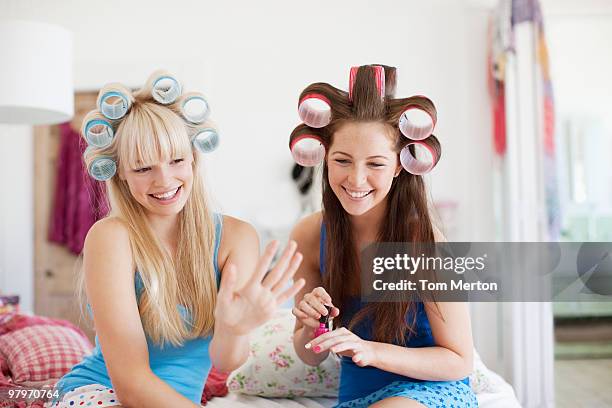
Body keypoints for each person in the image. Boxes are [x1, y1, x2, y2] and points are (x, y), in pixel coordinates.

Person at [47, 71, 304, 408]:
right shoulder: (111, 238)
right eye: (142, 168)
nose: (164, 180)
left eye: (177, 160)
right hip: (98, 395)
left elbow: (227, 362)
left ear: (194, 158)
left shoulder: (236, 237)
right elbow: (130, 385)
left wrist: (235, 328)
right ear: (120, 172)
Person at [289, 65, 478, 408]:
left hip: (428, 391)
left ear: (399, 165)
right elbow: (310, 356)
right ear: (325, 159)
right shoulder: (308, 235)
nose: (356, 180)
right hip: (357, 398)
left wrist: (372, 351)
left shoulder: (427, 244)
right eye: (342, 160)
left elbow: (459, 359)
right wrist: (309, 327)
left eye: (375, 164)